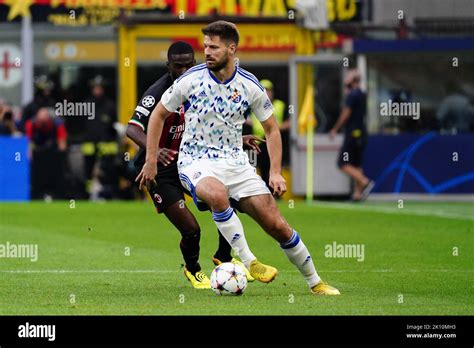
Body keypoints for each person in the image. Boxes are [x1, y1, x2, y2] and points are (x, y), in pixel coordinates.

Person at [137, 21, 340, 295]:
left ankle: (315, 282)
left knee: (277, 225)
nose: (207, 52)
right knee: (217, 194)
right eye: (205, 46)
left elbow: (271, 129)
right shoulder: (190, 80)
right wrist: (150, 160)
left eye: (213, 47)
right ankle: (249, 261)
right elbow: (158, 115)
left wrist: (276, 172)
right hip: (195, 161)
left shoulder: (249, 85)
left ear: (232, 49)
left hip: (236, 164)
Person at [127, 41, 258, 289]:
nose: (184, 69)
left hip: (190, 163)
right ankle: (193, 269)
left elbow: (213, 126)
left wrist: (238, 140)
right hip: (160, 171)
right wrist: (153, 154)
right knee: (191, 229)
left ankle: (223, 256)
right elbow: (132, 129)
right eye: (178, 66)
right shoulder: (157, 92)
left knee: (225, 203)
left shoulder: (201, 86)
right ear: (169, 66)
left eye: (189, 64)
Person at [330, 69, 374, 201]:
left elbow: (346, 113)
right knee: (356, 164)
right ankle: (357, 194)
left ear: (353, 80)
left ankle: (364, 181)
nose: (345, 80)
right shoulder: (361, 93)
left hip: (353, 134)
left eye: (348, 77)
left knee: (342, 163)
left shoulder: (352, 95)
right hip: (361, 134)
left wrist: (335, 128)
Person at [249, 79, 289, 188]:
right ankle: (265, 191)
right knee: (261, 169)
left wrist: (275, 129)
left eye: (268, 90)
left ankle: (275, 191)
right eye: (263, 90)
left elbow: (290, 122)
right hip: (258, 141)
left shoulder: (280, 105)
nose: (266, 92)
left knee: (274, 167)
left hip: (274, 141)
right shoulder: (253, 104)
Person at [25, 107, 67, 199]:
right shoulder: (31, 123)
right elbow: (28, 141)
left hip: (53, 154)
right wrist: (29, 153)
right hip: (38, 154)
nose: (41, 123)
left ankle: (57, 194)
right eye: (40, 121)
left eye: (43, 121)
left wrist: (60, 156)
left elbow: (62, 143)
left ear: (48, 119)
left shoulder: (57, 123)